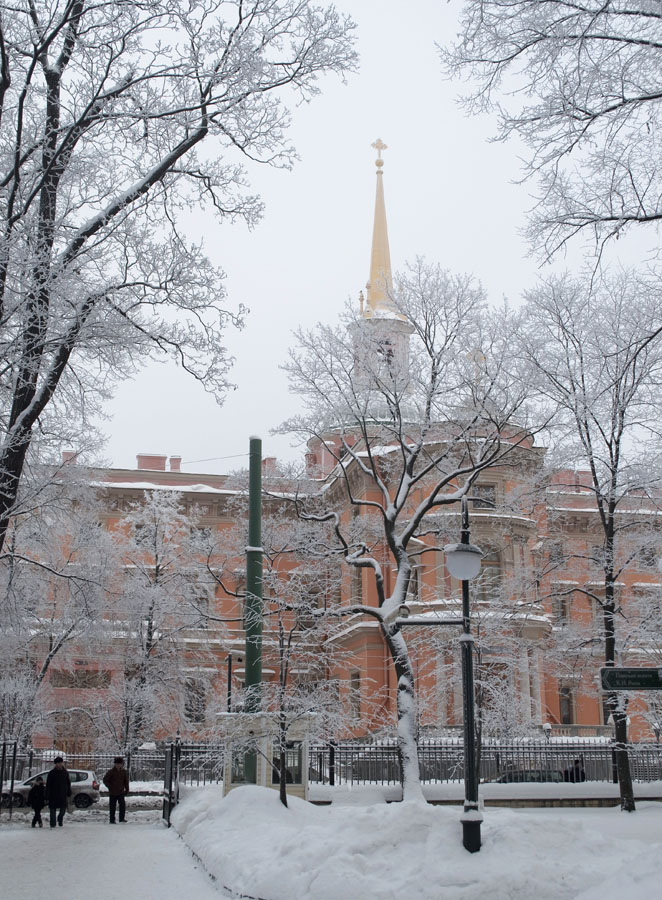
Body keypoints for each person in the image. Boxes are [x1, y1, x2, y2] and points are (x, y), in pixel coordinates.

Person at [45, 757, 71, 828]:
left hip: (62, 793)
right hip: (53, 794)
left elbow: (68, 782)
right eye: (58, 763)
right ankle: (52, 823)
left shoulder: (65, 772)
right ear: (55, 764)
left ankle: (60, 819)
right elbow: (48, 784)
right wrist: (47, 794)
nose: (59, 764)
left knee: (63, 809)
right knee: (52, 809)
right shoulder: (52, 773)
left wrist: (68, 791)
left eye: (60, 763)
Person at [103, 756, 129, 824]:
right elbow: (105, 780)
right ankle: (112, 820)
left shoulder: (124, 772)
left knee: (122, 806)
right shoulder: (111, 772)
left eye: (120, 764)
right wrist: (110, 787)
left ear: (122, 764)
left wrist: (127, 789)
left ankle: (121, 818)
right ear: (115, 764)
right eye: (117, 764)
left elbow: (126, 781)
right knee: (112, 807)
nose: (118, 765)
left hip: (121, 792)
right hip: (113, 792)